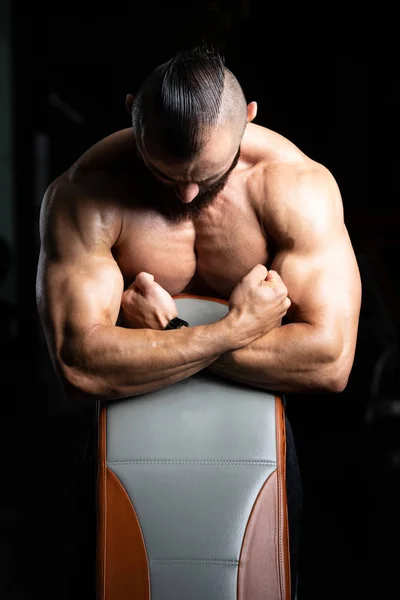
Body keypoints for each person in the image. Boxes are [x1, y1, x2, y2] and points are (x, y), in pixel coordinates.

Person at [36, 44, 362, 599]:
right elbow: (79, 367)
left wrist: (164, 335)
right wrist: (234, 328)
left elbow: (330, 362)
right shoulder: (84, 193)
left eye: (208, 175)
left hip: (261, 448)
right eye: (163, 171)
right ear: (132, 111)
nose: (186, 194)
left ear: (250, 119)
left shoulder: (295, 188)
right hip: (122, 444)